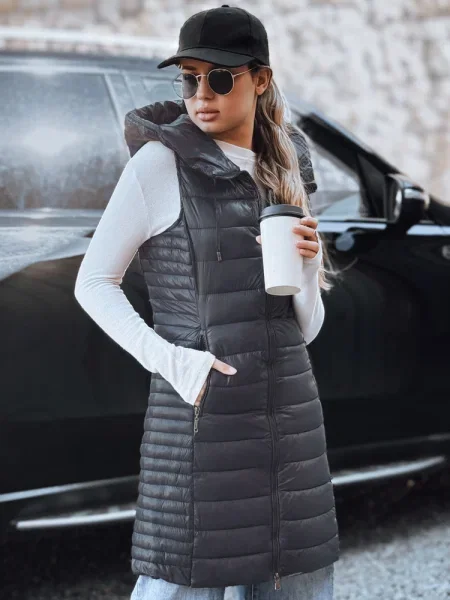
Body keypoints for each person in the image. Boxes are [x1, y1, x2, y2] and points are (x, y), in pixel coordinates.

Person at [74, 4, 339, 599]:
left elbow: (304, 330)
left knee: (296, 581)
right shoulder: (160, 162)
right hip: (202, 419)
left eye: (220, 77)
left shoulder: (286, 165)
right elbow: (94, 282)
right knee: (185, 580)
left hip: (289, 421)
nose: (201, 95)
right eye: (190, 79)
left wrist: (307, 266)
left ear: (260, 79)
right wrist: (174, 363)